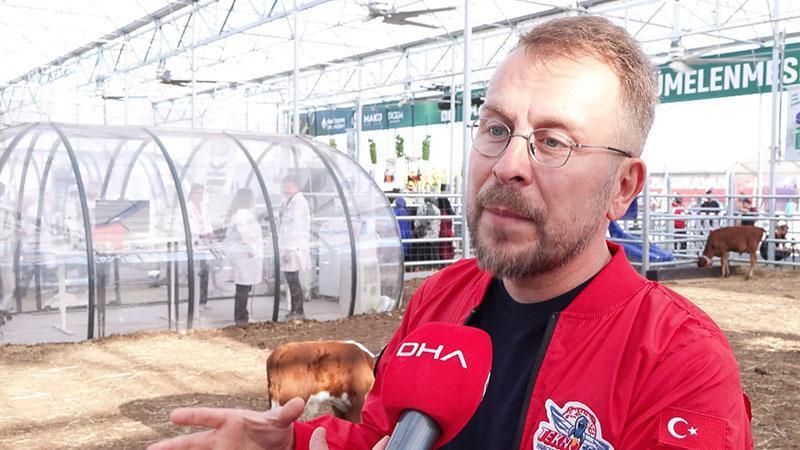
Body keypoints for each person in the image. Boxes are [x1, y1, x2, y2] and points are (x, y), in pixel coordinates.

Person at [149, 16, 753, 450]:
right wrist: (290, 445)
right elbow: (381, 435)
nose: (508, 164)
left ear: (623, 187)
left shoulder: (679, 361)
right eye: (496, 128)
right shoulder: (439, 299)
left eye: (553, 141)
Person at [222, 188, 264, 326]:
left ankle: (243, 316)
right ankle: (241, 318)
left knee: (244, 287)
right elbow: (246, 236)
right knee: (243, 288)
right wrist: (254, 251)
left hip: (245, 257)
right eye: (253, 197)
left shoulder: (243, 214)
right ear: (247, 199)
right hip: (244, 256)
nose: (254, 199)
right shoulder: (242, 216)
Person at [279, 175, 310, 320]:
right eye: (284, 186)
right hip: (291, 246)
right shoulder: (291, 202)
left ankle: (298, 310)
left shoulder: (299, 203)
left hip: (294, 247)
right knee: (291, 279)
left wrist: (288, 249)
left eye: (288, 186)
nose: (285, 189)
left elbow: (295, 228)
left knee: (292, 279)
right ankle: (295, 309)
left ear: (296, 187)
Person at [187, 183, 213, 311]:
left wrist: (210, 232)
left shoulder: (204, 207)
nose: (200, 196)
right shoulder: (187, 208)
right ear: (192, 193)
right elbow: (187, 226)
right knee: (195, 274)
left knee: (205, 273)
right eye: (197, 193)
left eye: (202, 193)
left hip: (205, 244)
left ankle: (203, 301)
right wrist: (200, 234)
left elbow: (208, 223)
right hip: (194, 243)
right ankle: (195, 302)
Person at [412, 197, 440, 261]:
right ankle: (433, 265)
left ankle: (421, 264)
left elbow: (417, 222)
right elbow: (438, 222)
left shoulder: (420, 208)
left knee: (421, 251)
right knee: (433, 251)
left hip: (422, 234)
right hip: (434, 234)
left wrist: (417, 229)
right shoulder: (437, 209)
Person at [437, 196, 455, 260]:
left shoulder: (440, 212)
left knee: (443, 252)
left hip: (442, 233)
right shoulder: (449, 212)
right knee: (449, 251)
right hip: (449, 233)